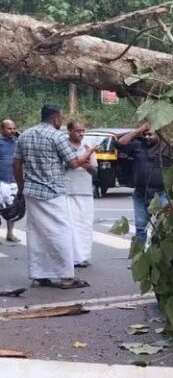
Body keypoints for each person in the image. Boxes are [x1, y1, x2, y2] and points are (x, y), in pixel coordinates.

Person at [13, 104, 97, 289]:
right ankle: (66, 277)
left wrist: (21, 188)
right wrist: (89, 152)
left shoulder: (25, 135)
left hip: (32, 192)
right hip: (54, 191)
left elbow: (17, 164)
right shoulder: (57, 137)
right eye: (60, 118)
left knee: (37, 234)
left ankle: (39, 276)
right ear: (56, 118)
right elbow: (74, 163)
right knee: (61, 233)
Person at [117, 123, 173, 245]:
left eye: (150, 134)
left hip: (161, 193)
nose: (147, 137)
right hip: (140, 194)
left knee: (163, 227)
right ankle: (139, 257)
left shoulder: (167, 147)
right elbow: (120, 144)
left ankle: (159, 256)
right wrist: (139, 130)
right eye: (145, 134)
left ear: (158, 134)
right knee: (140, 227)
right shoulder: (137, 146)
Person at [65, 121, 96, 268]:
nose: (81, 134)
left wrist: (86, 164)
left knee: (85, 225)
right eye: (78, 131)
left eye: (83, 131)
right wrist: (80, 161)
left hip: (85, 191)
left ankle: (83, 257)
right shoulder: (64, 145)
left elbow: (94, 170)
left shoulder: (88, 146)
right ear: (69, 131)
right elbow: (66, 165)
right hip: (67, 191)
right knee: (69, 226)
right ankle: (70, 257)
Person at [0, 119, 20, 243]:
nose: (12, 131)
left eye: (13, 128)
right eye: (9, 128)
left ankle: (10, 234)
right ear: (2, 129)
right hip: (0, 181)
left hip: (13, 181)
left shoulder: (18, 143)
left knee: (12, 209)